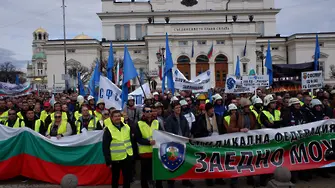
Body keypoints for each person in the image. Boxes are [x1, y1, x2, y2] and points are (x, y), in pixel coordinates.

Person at [229, 98, 258, 187]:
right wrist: (240, 129)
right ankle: (234, 180)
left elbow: (255, 125)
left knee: (249, 160)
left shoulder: (252, 114)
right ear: (241, 107)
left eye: (249, 106)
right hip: (238, 142)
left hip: (249, 141)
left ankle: (249, 178)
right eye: (246, 107)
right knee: (238, 160)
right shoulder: (235, 115)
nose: (248, 108)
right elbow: (230, 129)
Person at [165, 102, 194, 188]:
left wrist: (185, 136)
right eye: (177, 108)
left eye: (179, 108)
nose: (179, 109)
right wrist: (176, 139)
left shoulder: (183, 118)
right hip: (173, 143)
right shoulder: (169, 119)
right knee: (173, 163)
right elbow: (169, 132)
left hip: (183, 142)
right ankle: (171, 182)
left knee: (185, 162)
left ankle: (185, 180)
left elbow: (187, 129)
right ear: (173, 109)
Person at [103, 110, 133, 188]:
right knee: (115, 178)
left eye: (119, 116)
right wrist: (108, 161)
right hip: (115, 159)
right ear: (111, 118)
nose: (117, 118)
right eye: (115, 116)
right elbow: (105, 147)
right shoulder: (108, 129)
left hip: (127, 156)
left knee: (127, 178)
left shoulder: (127, 127)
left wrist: (133, 155)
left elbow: (131, 141)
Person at [135, 106, 163, 188]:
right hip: (145, 152)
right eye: (147, 111)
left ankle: (159, 186)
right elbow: (138, 138)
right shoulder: (139, 124)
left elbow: (161, 134)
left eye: (150, 111)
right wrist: (148, 142)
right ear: (143, 113)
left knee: (158, 171)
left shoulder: (156, 122)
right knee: (144, 173)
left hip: (155, 151)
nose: (149, 113)